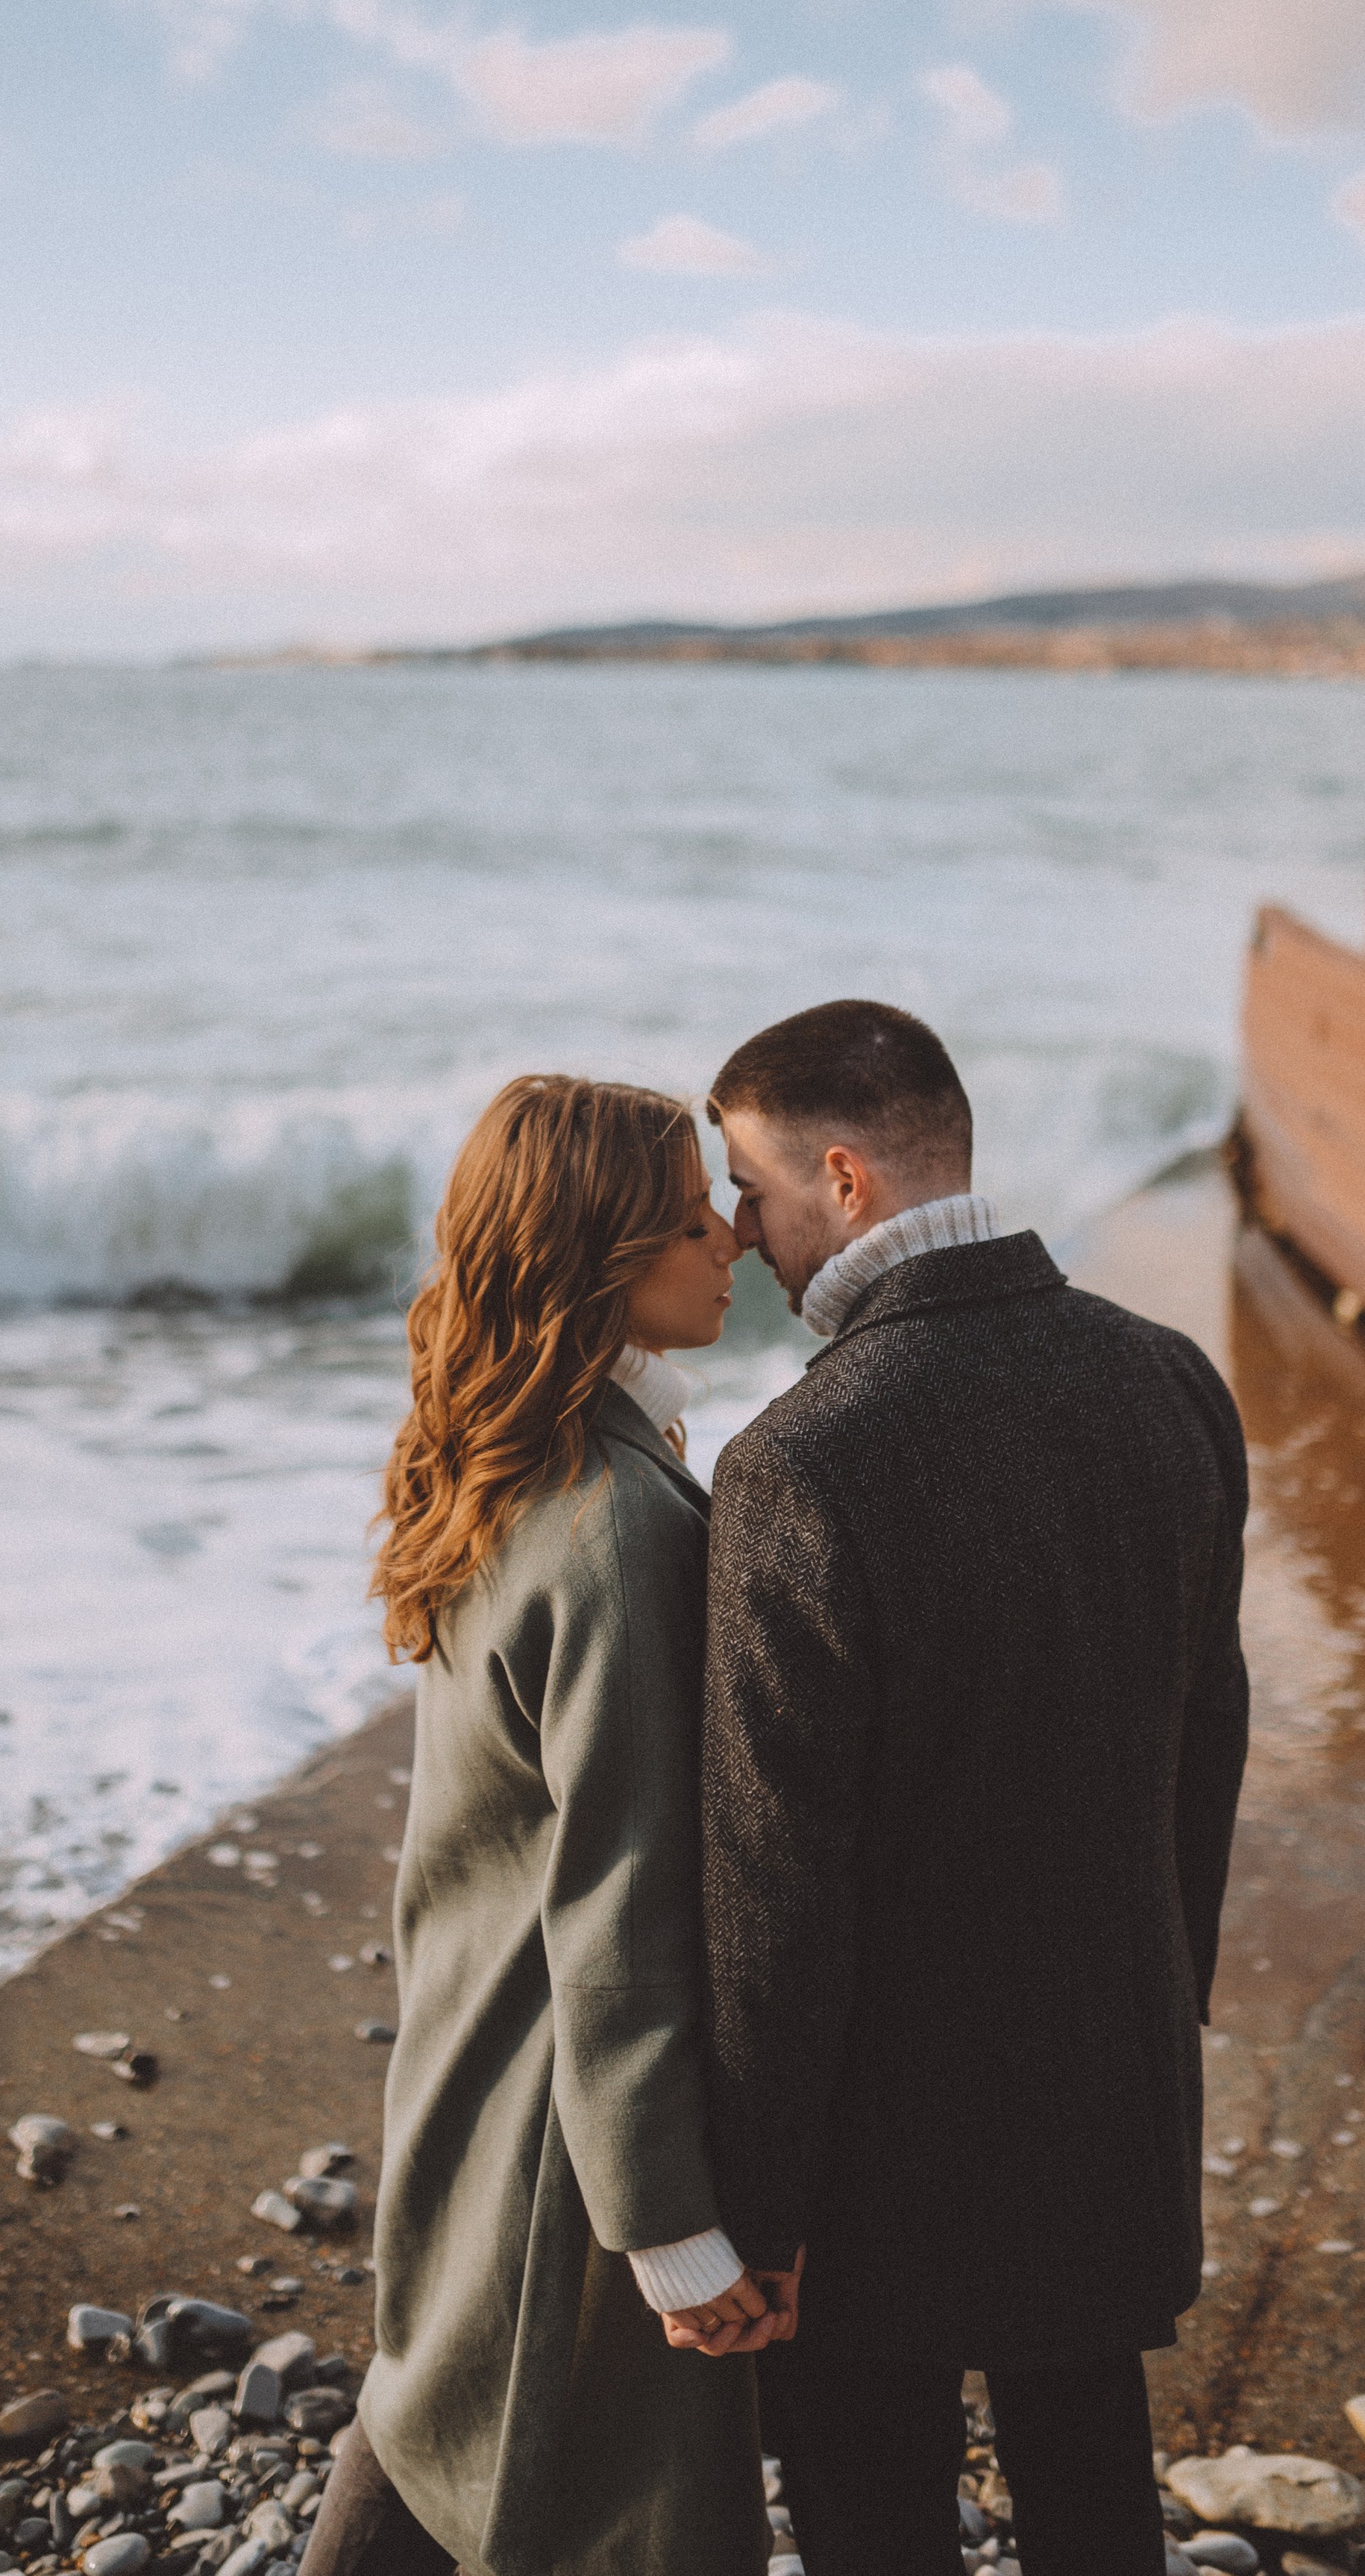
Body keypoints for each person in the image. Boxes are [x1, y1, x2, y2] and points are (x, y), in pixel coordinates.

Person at [690, 999, 1250, 2576]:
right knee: (1090, 2494)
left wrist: (753, 2200)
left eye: (753, 1186)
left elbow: (774, 1880)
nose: (739, 1232)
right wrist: (1158, 2006)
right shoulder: (1170, 1382)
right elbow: (1207, 1736)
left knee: (875, 2519)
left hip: (879, 2149)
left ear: (847, 1180)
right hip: (1107, 2079)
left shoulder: (798, 1464)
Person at [299, 1075, 780, 2576]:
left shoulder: (503, 1456)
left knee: (434, 2408)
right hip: (559, 2126)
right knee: (596, 2506)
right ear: (604, 1255)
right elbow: (623, 1904)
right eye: (691, 1215)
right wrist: (672, 2232)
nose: (731, 1243)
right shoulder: (622, 1531)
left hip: (469, 2047)